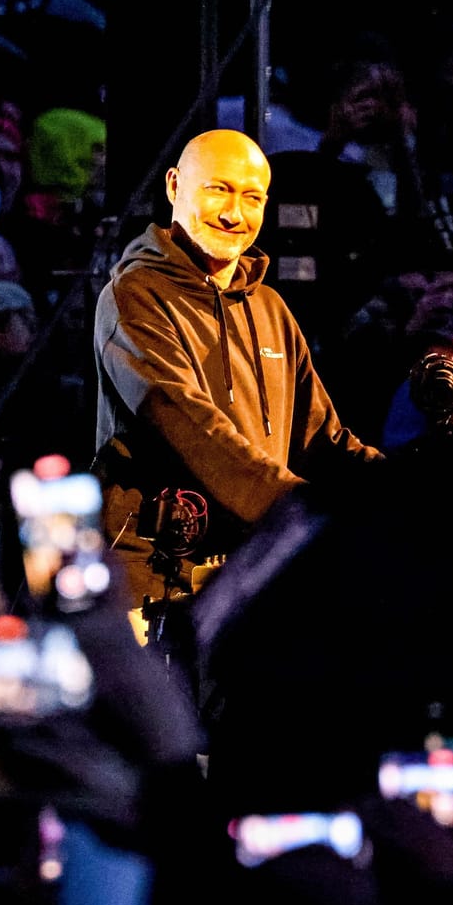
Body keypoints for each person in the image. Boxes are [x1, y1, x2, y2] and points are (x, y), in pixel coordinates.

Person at [91, 128, 385, 622]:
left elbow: (325, 441)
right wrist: (302, 510)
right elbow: (191, 424)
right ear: (173, 186)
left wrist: (405, 488)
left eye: (252, 197)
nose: (234, 213)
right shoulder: (134, 295)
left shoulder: (270, 306)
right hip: (155, 586)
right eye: (218, 189)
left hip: (247, 577)